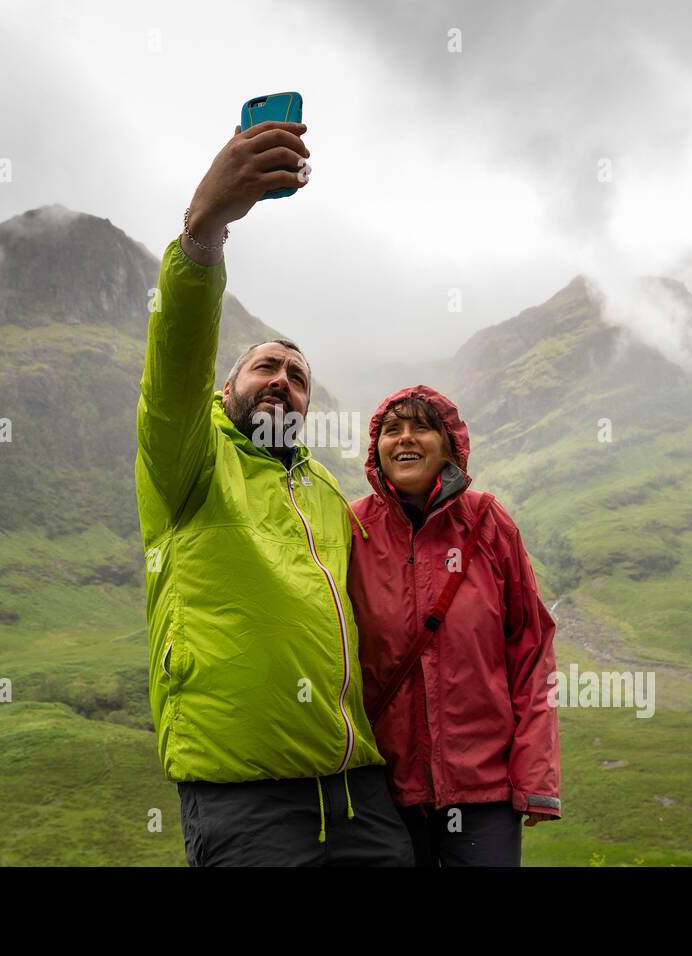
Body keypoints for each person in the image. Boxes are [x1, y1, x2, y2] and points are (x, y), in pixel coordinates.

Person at [136, 119, 413, 866]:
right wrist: (204, 232)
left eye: (297, 377)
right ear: (227, 388)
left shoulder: (325, 491)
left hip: (359, 792)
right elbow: (173, 372)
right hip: (244, 799)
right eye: (265, 367)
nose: (281, 382)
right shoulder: (189, 462)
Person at [346, 384, 562, 866]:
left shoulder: (489, 522)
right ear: (375, 449)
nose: (405, 439)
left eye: (422, 427)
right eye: (392, 429)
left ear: (450, 445)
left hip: (483, 790)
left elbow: (531, 649)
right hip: (383, 791)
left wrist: (536, 777)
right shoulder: (352, 530)